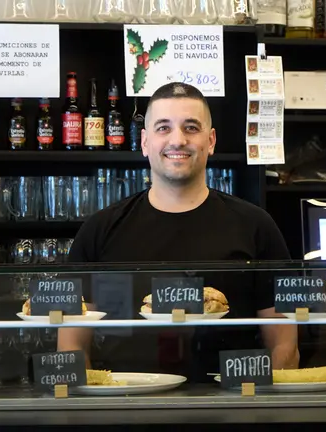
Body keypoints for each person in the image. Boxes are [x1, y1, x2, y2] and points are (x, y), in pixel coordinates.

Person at [59, 82, 298, 379]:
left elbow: (284, 342)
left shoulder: (256, 225)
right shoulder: (100, 228)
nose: (178, 140)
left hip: (232, 409)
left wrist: (262, 407)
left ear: (210, 141)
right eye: (163, 128)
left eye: (191, 127)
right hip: (124, 407)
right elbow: (71, 342)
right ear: (145, 142)